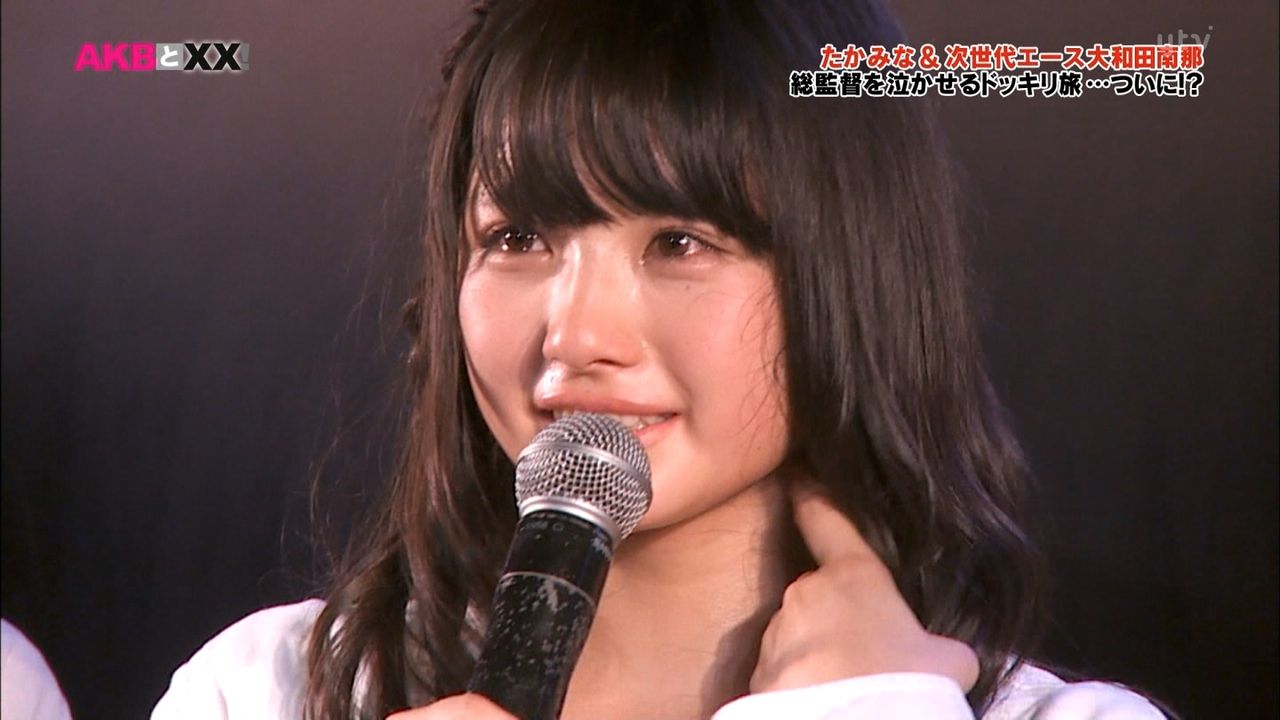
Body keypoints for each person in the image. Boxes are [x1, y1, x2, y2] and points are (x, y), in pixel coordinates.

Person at [153, 1, 1167, 718]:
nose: (574, 335)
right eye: (517, 239)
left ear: (849, 275)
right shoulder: (271, 690)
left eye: (679, 243)